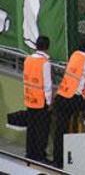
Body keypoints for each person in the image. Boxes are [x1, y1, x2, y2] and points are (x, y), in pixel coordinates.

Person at [53, 38, 85, 168]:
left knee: (61, 130)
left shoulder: (74, 55)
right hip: (72, 99)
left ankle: (58, 161)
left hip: (61, 97)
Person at [23, 36, 52, 164]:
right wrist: (49, 101)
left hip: (30, 98)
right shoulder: (45, 63)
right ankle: (40, 155)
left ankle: (30, 153)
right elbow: (47, 84)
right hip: (41, 101)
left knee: (31, 128)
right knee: (42, 129)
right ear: (47, 47)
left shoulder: (28, 59)